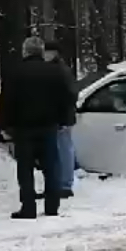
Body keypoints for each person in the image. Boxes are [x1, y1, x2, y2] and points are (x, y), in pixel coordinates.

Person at [0, 37, 74, 219]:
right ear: (41, 52)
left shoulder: (14, 72)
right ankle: (52, 205)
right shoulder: (56, 72)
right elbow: (67, 97)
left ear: (25, 52)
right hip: (49, 126)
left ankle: (28, 207)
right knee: (51, 166)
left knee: (25, 168)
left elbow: (6, 101)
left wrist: (4, 125)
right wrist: (63, 119)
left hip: (23, 128)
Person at [43, 41, 77, 199]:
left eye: (47, 52)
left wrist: (63, 116)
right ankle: (60, 183)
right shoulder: (57, 69)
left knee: (63, 150)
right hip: (60, 116)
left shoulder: (61, 70)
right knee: (59, 151)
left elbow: (69, 95)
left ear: (54, 53)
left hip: (62, 117)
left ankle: (65, 184)